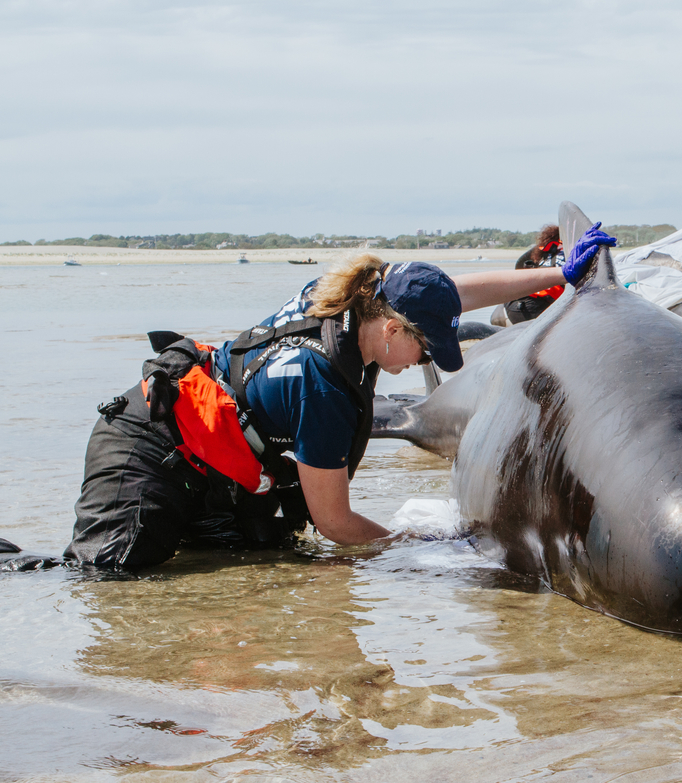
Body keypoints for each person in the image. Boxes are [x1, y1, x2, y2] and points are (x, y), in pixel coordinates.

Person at [61, 224, 616, 570]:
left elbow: (450, 292)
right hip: (143, 447)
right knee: (109, 580)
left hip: (213, 464)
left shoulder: (357, 297)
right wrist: (420, 547)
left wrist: (556, 275)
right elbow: (337, 524)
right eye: (426, 349)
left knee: (258, 560)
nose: (424, 362)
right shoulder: (322, 385)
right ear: (394, 331)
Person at [497, 225, 565, 325]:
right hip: (534, 308)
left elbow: (519, 266)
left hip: (511, 302)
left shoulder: (542, 249)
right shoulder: (568, 250)